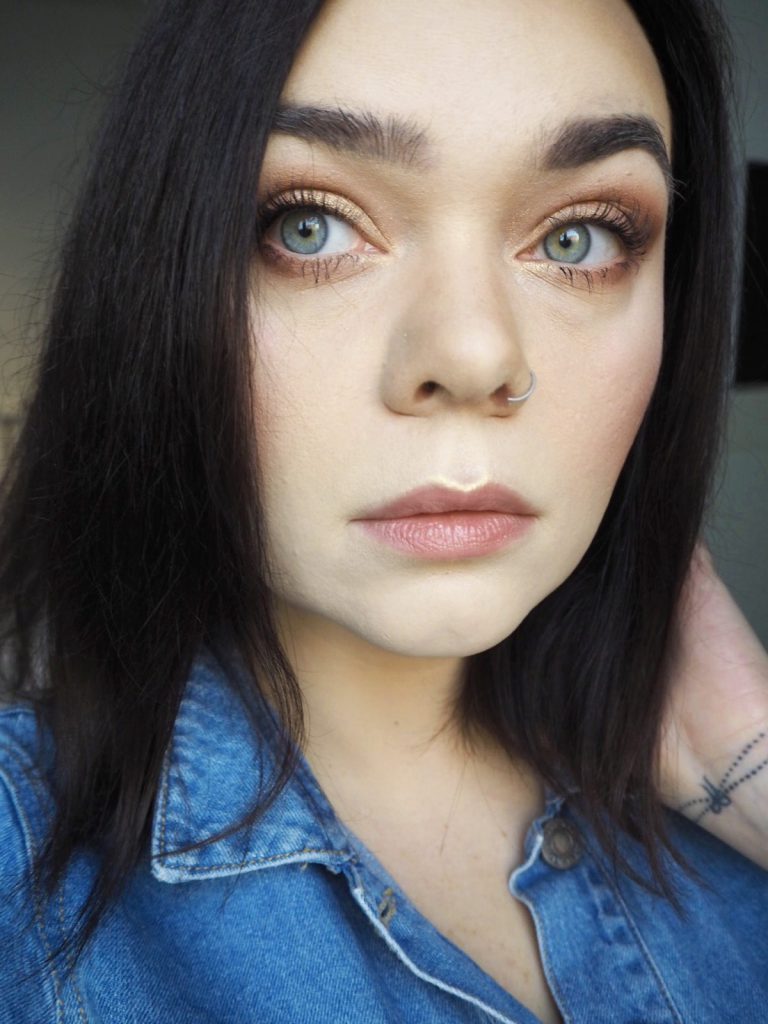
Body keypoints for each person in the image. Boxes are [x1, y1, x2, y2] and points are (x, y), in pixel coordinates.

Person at [0, 0, 766, 1021]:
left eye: (580, 237)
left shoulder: (733, 836)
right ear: (158, 281)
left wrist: (749, 759)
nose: (475, 356)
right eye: (309, 225)